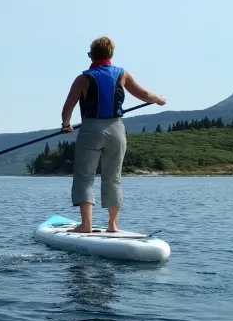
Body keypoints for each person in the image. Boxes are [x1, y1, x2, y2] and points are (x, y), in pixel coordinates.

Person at [59, 37, 166, 233]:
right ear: (111, 54)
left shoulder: (83, 78)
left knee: (85, 176)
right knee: (113, 177)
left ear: (92, 55)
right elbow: (144, 94)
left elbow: (68, 108)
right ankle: (113, 225)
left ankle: (86, 225)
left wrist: (66, 125)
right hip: (117, 130)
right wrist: (159, 99)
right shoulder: (122, 74)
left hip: (91, 130)